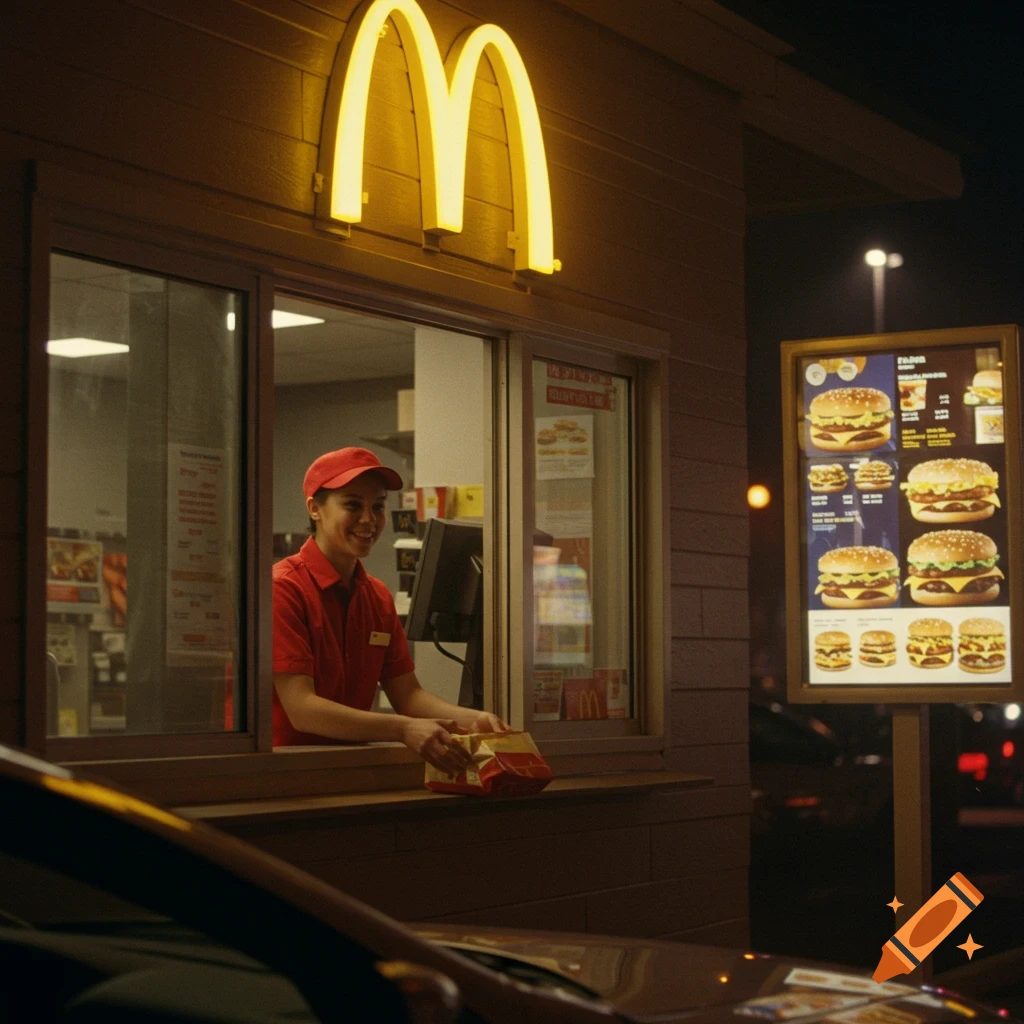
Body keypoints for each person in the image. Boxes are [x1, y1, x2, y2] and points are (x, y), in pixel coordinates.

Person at [272, 446, 508, 772]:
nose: (369, 520)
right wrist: (403, 728)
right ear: (315, 508)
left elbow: (407, 695)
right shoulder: (283, 588)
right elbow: (302, 709)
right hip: (280, 774)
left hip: (349, 768)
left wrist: (474, 719)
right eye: (353, 505)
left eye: (378, 507)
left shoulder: (377, 597)